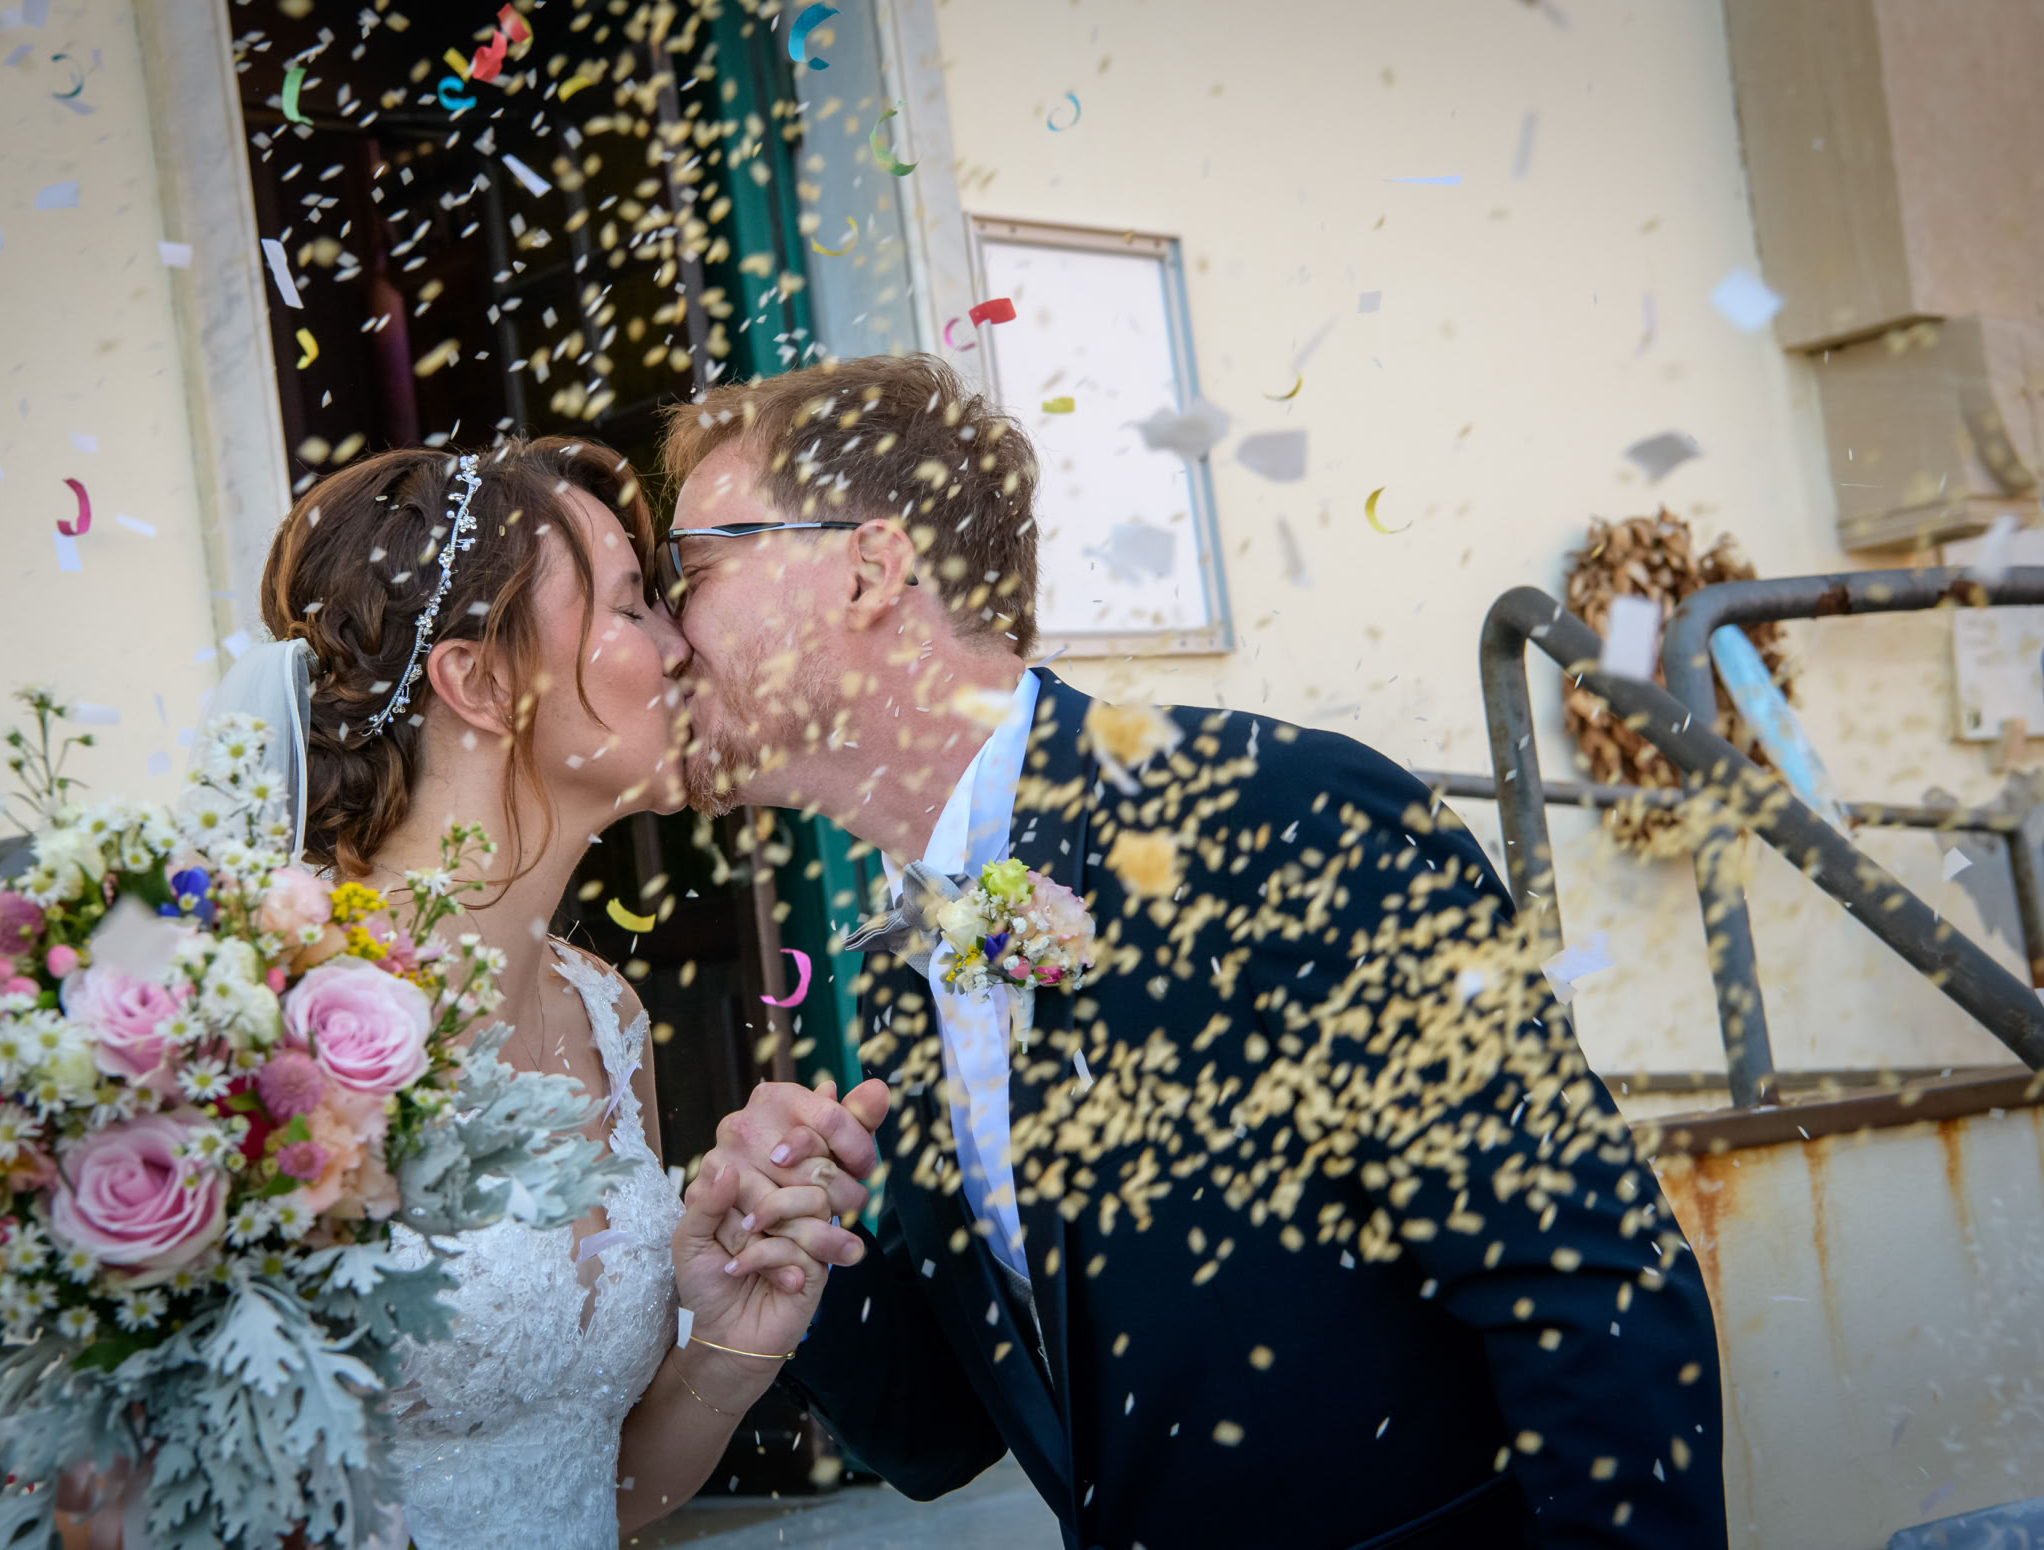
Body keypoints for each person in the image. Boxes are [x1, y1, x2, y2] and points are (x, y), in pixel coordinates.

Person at [664, 356, 1731, 1549]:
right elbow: (938, 1433)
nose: (665, 630)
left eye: (693, 567)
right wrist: (806, 1265)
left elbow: (1588, 1278)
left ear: (868, 566)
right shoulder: (908, 966)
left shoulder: (1276, 816)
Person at [61, 437, 866, 1550]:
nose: (687, 645)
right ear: (479, 680)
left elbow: (602, 1488)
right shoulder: (276, 1030)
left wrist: (733, 1342)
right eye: (634, 606)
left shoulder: (604, 1010)